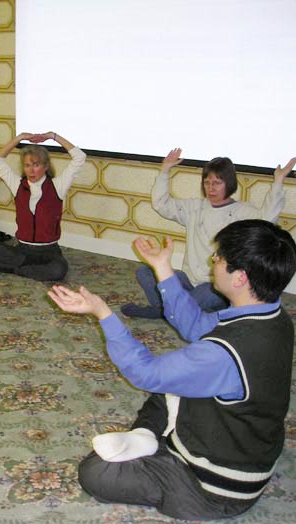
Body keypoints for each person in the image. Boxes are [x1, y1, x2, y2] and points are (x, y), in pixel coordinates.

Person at [48, 219, 296, 520]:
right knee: (167, 390)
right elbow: (196, 325)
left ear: (240, 277)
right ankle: (144, 435)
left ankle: (152, 443)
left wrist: (102, 312)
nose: (213, 261)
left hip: (214, 487)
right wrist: (162, 268)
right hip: (252, 449)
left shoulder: (222, 353)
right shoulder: (273, 316)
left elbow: (145, 372)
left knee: (95, 472)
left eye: (219, 258)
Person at [122, 148, 295, 318]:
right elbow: (161, 204)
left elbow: (267, 219)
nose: (211, 188)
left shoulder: (242, 212)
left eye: (217, 183)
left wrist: (278, 181)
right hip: (188, 281)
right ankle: (175, 311)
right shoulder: (194, 207)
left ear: (229, 183)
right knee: (145, 272)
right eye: (207, 183)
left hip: (215, 286)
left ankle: (165, 311)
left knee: (207, 293)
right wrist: (165, 169)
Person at [0, 132, 86, 281]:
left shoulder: (57, 186)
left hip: (49, 251)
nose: (31, 170)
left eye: (36, 165)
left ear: (46, 166)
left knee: (58, 270)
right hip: (23, 249)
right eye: (27, 165)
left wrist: (53, 136)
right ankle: (24, 266)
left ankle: (12, 267)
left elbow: (80, 157)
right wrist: (19, 138)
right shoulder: (18, 185)